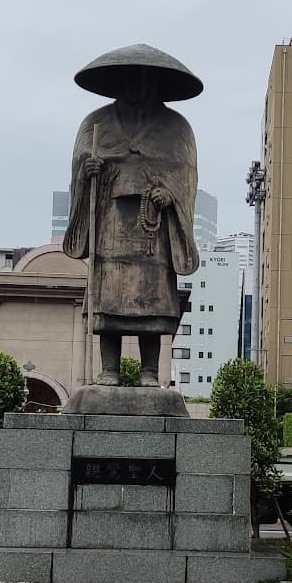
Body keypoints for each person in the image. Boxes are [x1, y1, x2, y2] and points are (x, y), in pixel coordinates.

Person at [62, 44, 202, 387]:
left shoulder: (176, 127)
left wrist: (170, 195)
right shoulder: (96, 124)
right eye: (131, 80)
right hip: (110, 222)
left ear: (157, 85)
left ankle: (149, 371)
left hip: (153, 228)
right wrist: (87, 171)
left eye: (146, 81)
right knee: (108, 300)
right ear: (118, 83)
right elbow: (79, 164)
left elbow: (186, 176)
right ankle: (108, 369)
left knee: (151, 301)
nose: (138, 88)